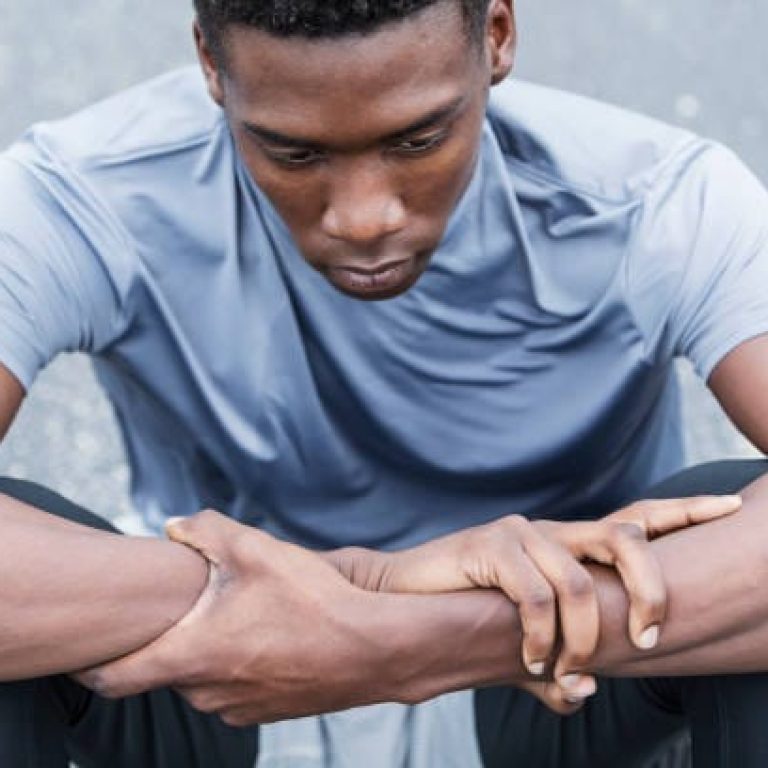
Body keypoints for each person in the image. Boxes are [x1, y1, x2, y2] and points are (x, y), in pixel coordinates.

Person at [1, 0, 768, 765]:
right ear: (211, 63)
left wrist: (431, 639)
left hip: (550, 680)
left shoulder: (653, 204)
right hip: (220, 667)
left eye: (418, 140)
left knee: (731, 536)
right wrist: (366, 586)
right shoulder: (86, 197)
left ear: (496, 36)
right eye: (293, 154)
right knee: (32, 583)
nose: (363, 218)